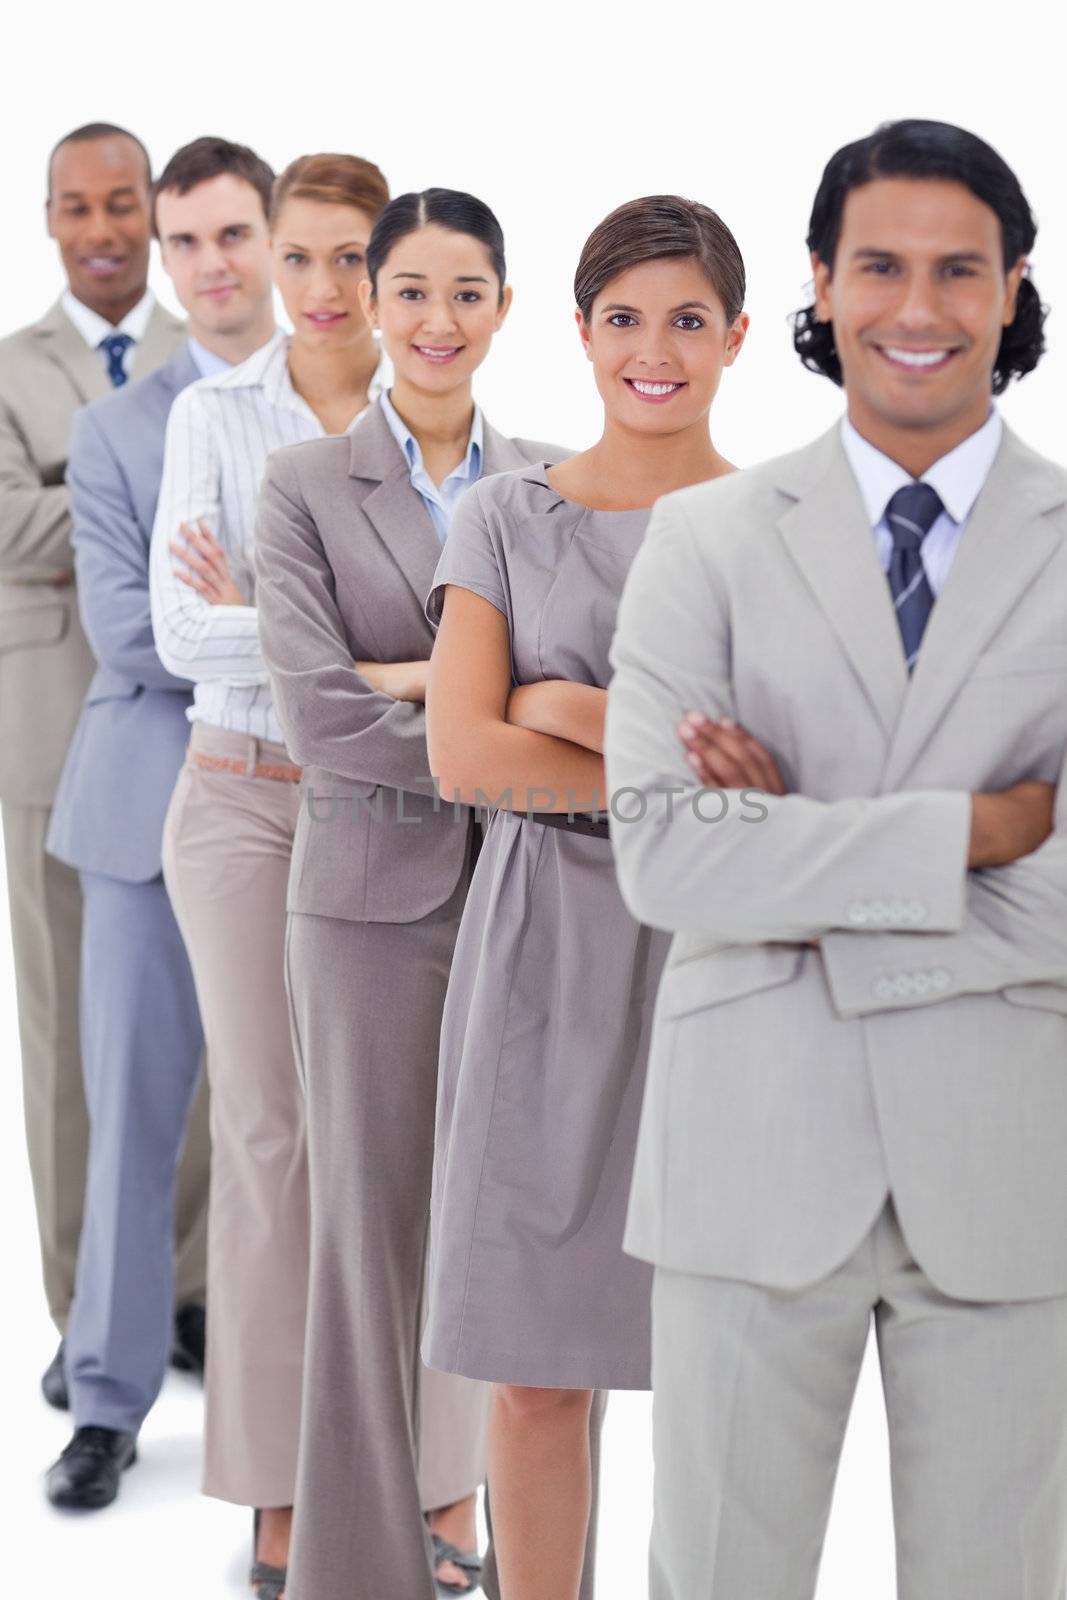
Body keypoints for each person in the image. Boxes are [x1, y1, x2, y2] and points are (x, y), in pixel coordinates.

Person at [605, 119, 1067, 1599]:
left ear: (1012, 289)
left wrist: (793, 845)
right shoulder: (703, 537)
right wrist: (972, 835)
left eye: (957, 270)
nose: (917, 309)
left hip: (1014, 1168)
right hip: (751, 1156)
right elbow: (667, 862)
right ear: (819, 283)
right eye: (880, 266)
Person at [423, 196, 748, 1600]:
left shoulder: (777, 526)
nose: (653, 349)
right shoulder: (504, 512)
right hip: (543, 961)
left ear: (739, 335)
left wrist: (564, 705)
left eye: (687, 319)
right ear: (581, 331)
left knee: (725, 1384)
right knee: (539, 1378)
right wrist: (651, 749)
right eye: (624, 317)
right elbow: (461, 753)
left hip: (726, 967)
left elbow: (786, 792)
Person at [254, 187, 570, 1600]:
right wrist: (491, 725)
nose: (440, 321)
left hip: (530, 901)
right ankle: (357, 1574)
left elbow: (599, 703)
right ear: (372, 306)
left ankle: (523, 1553)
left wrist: (449, 704)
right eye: (415, 292)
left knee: (519, 1252)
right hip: (368, 917)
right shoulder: (303, 487)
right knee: (365, 1261)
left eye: (470, 293)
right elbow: (319, 721)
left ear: (504, 311)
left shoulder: (550, 484)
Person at [148, 150, 396, 1597]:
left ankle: (424, 1483)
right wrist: (361, 650)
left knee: (394, 1142)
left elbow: (463, 645)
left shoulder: (432, 408)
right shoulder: (212, 413)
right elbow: (186, 637)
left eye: (348, 258)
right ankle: (279, 1497)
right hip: (239, 804)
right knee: (268, 1144)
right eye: (296, 258)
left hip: (383, 810)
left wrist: (280, 615)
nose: (317, 288)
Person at [42, 136, 277, 1513]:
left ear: (280, 234)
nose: (207, 264)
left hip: (306, 810)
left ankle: (286, 1405)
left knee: (282, 1121)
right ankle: (109, 1401)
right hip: (146, 810)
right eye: (183, 242)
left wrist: (239, 603)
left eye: (230, 234)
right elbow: (134, 638)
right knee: (130, 1120)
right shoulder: (121, 428)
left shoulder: (341, 409)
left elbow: (393, 617)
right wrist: (290, 626)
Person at [0, 121, 207, 1411]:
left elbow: (243, 508)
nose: (105, 227)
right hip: (47, 732)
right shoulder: (12, 366)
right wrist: (132, 498)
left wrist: (88, 493)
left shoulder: (217, 355)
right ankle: (87, 1311)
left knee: (198, 1031)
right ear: (51, 222)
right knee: (68, 1035)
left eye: (125, 202)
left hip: (193, 729)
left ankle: (185, 1291)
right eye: (77, 206)